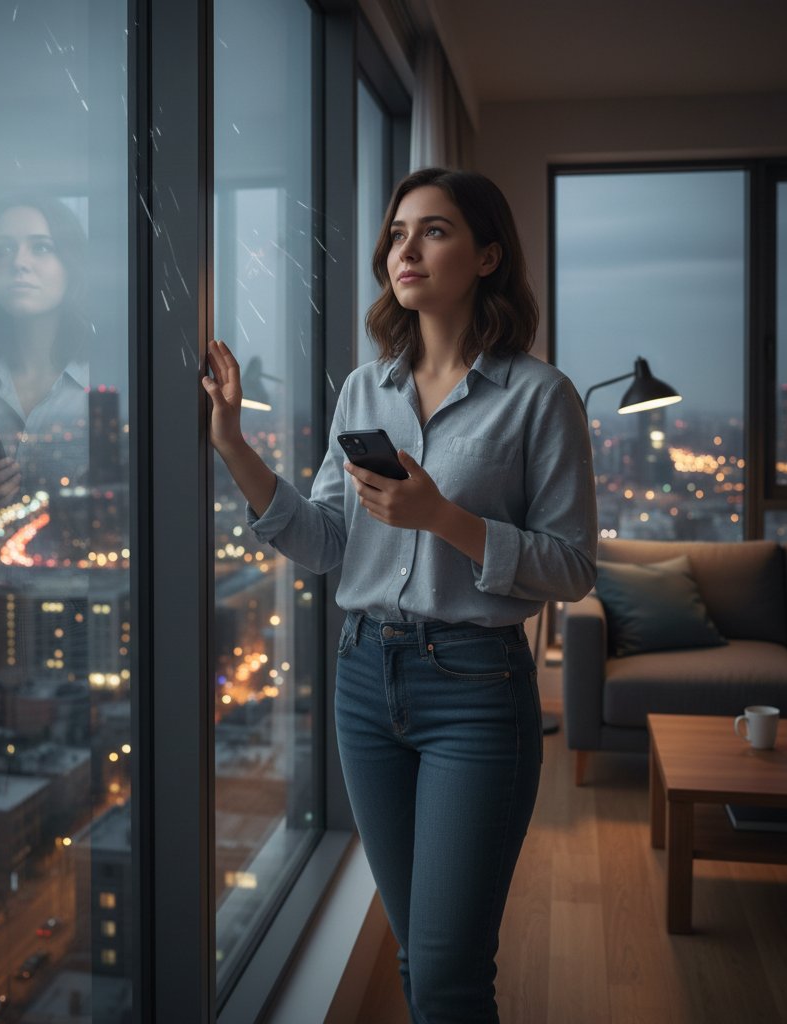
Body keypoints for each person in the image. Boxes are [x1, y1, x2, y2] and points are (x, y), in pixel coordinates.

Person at [203, 167, 597, 1023]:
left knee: (451, 973)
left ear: (488, 255)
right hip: (363, 683)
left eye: (435, 230)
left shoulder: (541, 398)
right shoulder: (363, 387)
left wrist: (444, 519)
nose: (404, 250)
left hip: (477, 694)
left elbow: (571, 567)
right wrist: (234, 446)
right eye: (396, 232)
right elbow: (324, 545)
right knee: (420, 960)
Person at [0, 195, 92, 518]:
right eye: (3, 249)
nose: (19, 263)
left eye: (41, 247)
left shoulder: (109, 382)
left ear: (70, 265)